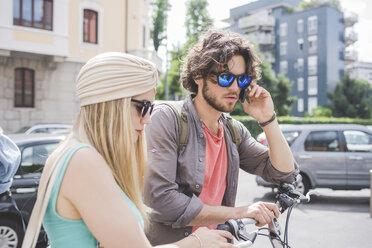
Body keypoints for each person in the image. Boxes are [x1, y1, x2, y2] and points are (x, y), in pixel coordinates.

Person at [23, 52, 234, 248]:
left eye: (150, 109)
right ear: (112, 103)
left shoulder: (70, 152)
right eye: (142, 107)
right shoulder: (83, 160)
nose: (148, 119)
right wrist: (197, 242)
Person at [143, 29, 299, 245]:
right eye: (225, 78)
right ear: (198, 76)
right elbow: (161, 201)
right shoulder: (167, 119)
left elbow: (283, 173)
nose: (235, 88)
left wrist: (267, 118)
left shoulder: (232, 131)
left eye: (242, 80)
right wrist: (239, 212)